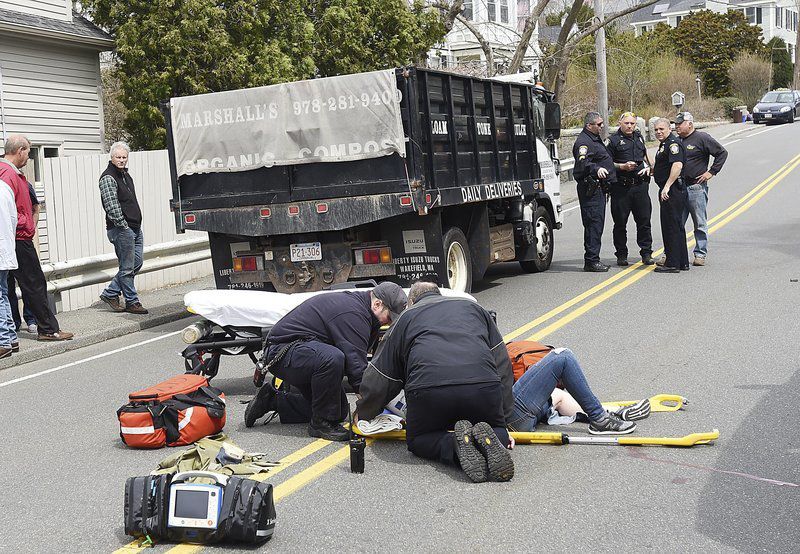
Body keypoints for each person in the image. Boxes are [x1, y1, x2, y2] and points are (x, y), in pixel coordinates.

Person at [356, 282, 515, 483]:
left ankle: (454, 447)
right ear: (439, 295)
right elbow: (502, 364)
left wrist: (364, 411)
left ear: (411, 302)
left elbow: (382, 375)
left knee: (418, 440)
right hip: (482, 385)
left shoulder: (407, 317)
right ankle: (496, 439)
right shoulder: (474, 309)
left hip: (430, 391)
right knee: (495, 428)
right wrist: (506, 417)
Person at [244, 282, 408, 442]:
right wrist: (370, 409)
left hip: (306, 352)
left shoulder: (365, 312)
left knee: (337, 410)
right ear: (378, 304)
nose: (389, 322)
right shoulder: (353, 313)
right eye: (389, 316)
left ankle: (272, 400)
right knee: (333, 358)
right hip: (281, 352)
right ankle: (321, 425)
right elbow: (357, 368)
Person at [0, 135, 73, 341]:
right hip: (17, 237)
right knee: (33, 283)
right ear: (20, 150)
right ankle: (48, 330)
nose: (29, 157)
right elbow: (7, 207)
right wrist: (25, 225)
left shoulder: (11, 172)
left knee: (19, 285)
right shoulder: (7, 173)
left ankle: (14, 335)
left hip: (16, 235)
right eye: (29, 152)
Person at [508, 345, 649, 435]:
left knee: (558, 395)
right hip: (509, 416)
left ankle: (615, 412)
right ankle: (599, 417)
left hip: (508, 415)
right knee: (562, 356)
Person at [98, 142, 147, 314]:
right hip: (122, 229)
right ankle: (132, 302)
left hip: (135, 227)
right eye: (118, 157)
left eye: (124, 157)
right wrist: (124, 226)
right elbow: (112, 206)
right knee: (127, 268)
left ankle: (111, 292)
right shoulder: (108, 177)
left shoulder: (125, 175)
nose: (121, 160)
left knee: (136, 262)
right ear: (111, 158)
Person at [674, 112, 728, 266]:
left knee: (699, 223)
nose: (677, 126)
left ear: (689, 123)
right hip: (679, 187)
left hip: (696, 187)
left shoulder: (702, 138)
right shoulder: (676, 141)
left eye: (680, 123)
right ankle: (672, 253)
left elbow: (722, 153)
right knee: (676, 222)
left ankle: (700, 254)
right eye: (675, 124)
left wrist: (711, 172)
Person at [606, 112, 654, 266]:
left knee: (644, 221)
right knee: (620, 223)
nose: (629, 126)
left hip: (640, 186)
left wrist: (651, 167)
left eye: (632, 123)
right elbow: (606, 163)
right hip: (621, 187)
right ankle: (621, 254)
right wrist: (622, 166)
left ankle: (646, 253)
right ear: (620, 123)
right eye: (626, 123)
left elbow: (646, 155)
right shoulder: (612, 141)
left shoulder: (639, 137)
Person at [573, 112, 616, 272]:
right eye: (598, 124)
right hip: (591, 190)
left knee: (597, 224)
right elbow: (582, 163)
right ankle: (591, 261)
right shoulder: (584, 142)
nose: (602, 126)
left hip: (599, 189)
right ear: (588, 125)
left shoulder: (594, 139)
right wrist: (596, 168)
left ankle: (593, 258)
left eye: (602, 123)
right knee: (593, 224)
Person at [652, 118, 689, 273]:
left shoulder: (673, 143)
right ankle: (682, 262)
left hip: (672, 191)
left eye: (661, 129)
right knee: (677, 226)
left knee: (671, 226)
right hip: (671, 189)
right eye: (656, 130)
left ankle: (672, 264)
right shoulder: (665, 144)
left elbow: (677, 165)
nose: (658, 132)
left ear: (670, 129)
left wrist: (666, 187)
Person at [7, 180, 39, 334]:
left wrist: (31, 229)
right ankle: (14, 322)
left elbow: (35, 207)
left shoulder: (24, 184)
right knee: (7, 285)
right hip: (5, 241)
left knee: (27, 281)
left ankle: (31, 319)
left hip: (21, 239)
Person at [0, 171, 18, 358]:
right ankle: (11, 338)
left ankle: (3, 341)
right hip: (6, 247)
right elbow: (13, 220)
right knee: (3, 294)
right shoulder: (5, 188)